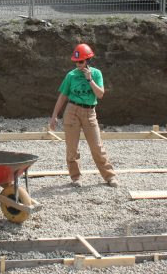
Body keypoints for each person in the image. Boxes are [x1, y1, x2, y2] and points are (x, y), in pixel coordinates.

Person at [48, 43, 117, 187]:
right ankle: (76, 178)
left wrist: (89, 80)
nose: (78, 64)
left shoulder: (96, 74)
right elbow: (62, 96)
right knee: (72, 148)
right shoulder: (71, 75)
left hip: (89, 112)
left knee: (97, 147)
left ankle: (109, 176)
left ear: (88, 60)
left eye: (81, 61)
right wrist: (54, 116)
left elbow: (100, 94)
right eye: (76, 61)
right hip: (72, 111)